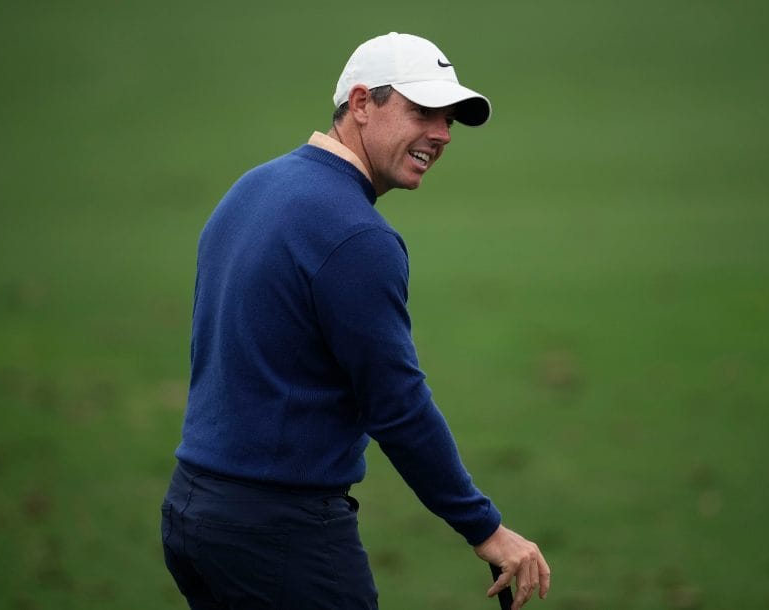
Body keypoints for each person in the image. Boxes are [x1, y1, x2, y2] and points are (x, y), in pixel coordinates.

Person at [160, 32, 551, 610]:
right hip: (279, 535)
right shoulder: (357, 236)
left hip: (192, 513)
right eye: (423, 112)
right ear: (362, 103)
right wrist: (485, 527)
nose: (442, 134)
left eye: (448, 120)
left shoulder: (252, 189)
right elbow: (395, 403)